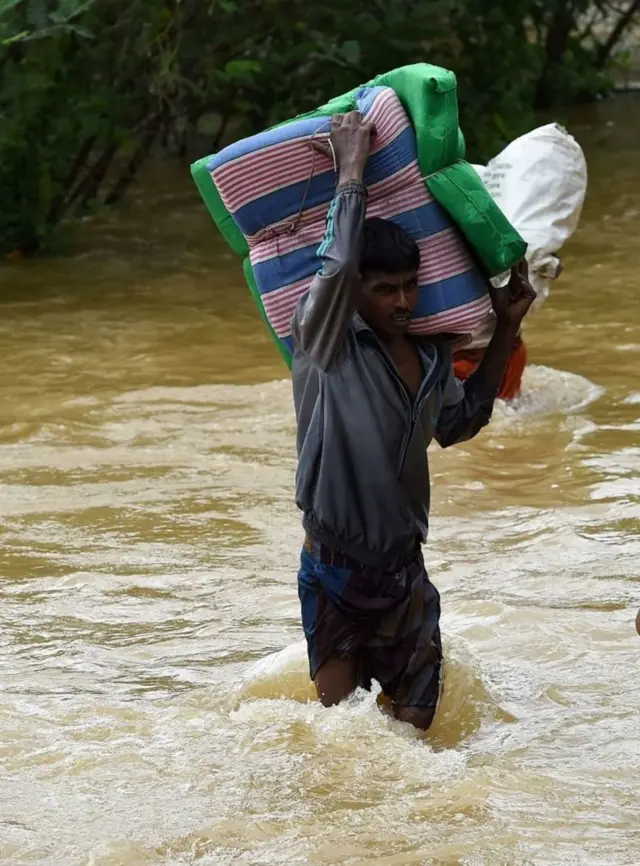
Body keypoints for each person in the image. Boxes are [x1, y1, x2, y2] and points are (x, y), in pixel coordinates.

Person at [291, 111, 536, 731]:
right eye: (383, 290)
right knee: (340, 733)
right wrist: (351, 172)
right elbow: (335, 270)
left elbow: (462, 423)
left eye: (409, 287)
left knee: (413, 733)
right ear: (356, 293)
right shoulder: (328, 343)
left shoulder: (430, 358)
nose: (401, 302)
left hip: (405, 571)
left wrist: (507, 325)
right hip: (334, 568)